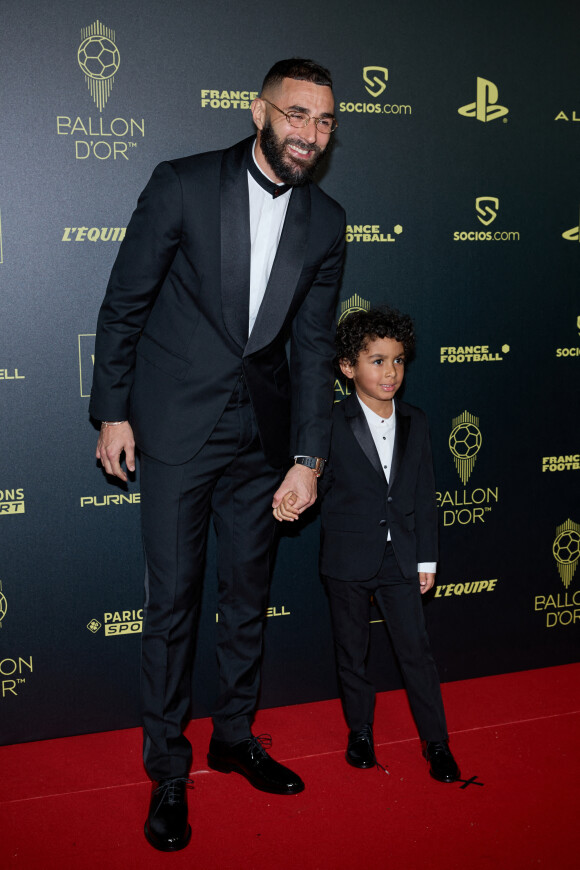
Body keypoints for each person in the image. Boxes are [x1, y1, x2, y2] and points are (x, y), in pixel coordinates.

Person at [89, 58, 345, 852]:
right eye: (297, 115)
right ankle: (169, 767)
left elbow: (311, 351)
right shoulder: (182, 184)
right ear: (258, 111)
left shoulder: (328, 221)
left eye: (326, 121)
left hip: (262, 439)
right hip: (174, 427)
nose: (310, 133)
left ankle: (234, 737)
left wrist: (308, 457)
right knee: (171, 604)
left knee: (248, 595)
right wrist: (112, 414)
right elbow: (124, 303)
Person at [275, 307, 460, 783]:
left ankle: (435, 741)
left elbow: (423, 494)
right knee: (351, 652)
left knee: (415, 653)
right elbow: (315, 479)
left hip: (400, 558)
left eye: (398, 360)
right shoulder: (329, 423)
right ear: (346, 367)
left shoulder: (417, 421)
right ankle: (360, 732)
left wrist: (426, 557)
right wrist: (296, 495)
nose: (390, 372)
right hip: (345, 559)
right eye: (376, 361)